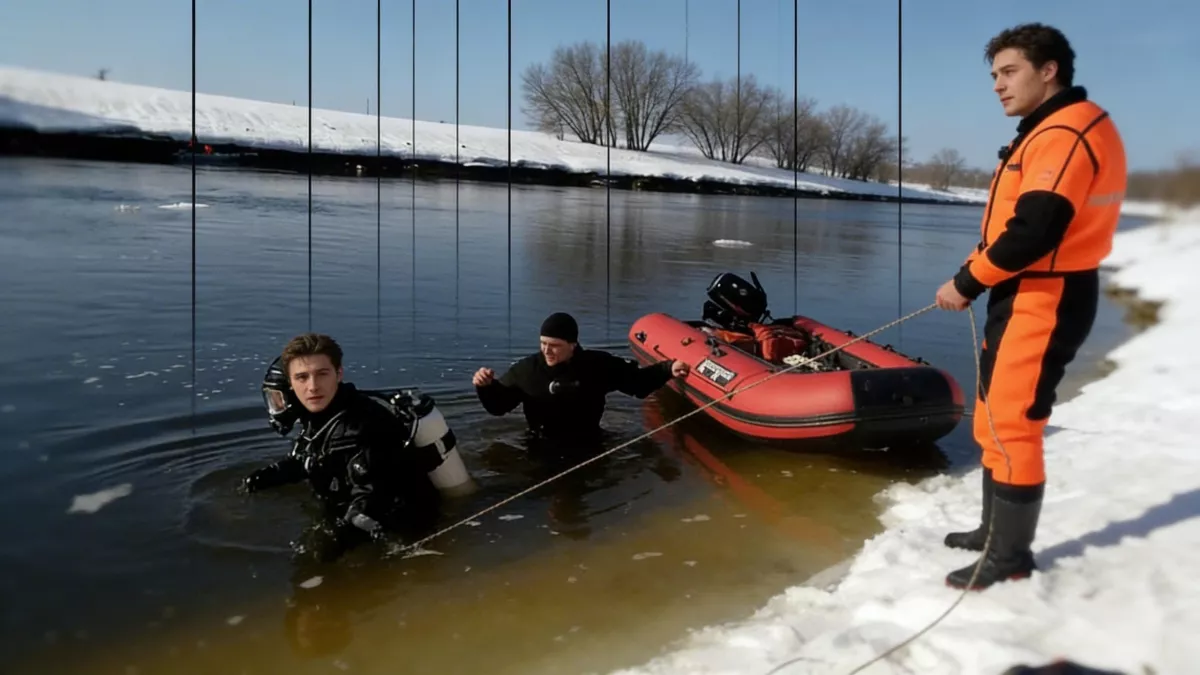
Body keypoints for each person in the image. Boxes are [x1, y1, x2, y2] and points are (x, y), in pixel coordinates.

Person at [934, 23, 1126, 590]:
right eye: (993, 75)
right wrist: (979, 269)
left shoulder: (1066, 131)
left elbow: (1035, 230)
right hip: (1024, 290)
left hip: (1048, 293)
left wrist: (967, 282)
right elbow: (1011, 226)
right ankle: (994, 533)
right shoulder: (1045, 130)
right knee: (994, 420)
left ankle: (1009, 558)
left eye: (1009, 71)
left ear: (1050, 71)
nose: (997, 84)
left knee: (1013, 424)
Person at [242, 332, 442, 558]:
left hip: (405, 525)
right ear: (291, 384)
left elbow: (372, 500)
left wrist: (331, 541)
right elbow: (311, 458)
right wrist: (274, 474)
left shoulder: (365, 426)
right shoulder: (318, 418)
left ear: (339, 374)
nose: (313, 386)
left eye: (322, 374)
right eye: (302, 377)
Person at [472, 312, 690, 442]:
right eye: (543, 344)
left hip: (588, 441)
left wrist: (668, 369)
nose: (547, 351)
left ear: (572, 345)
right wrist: (485, 386)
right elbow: (498, 407)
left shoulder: (596, 365)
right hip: (539, 443)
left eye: (555, 346)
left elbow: (638, 384)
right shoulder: (527, 370)